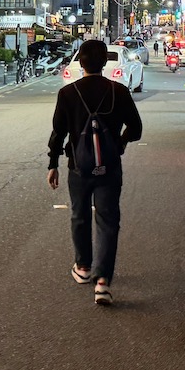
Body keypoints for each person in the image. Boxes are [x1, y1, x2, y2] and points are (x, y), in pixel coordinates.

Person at [47, 39, 144, 306]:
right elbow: (135, 128)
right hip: (110, 167)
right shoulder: (118, 92)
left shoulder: (68, 94)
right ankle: (102, 282)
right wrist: (118, 144)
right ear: (104, 63)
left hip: (78, 167)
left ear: (80, 61)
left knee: (79, 216)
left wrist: (53, 164)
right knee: (108, 221)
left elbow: (59, 133)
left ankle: (83, 267)